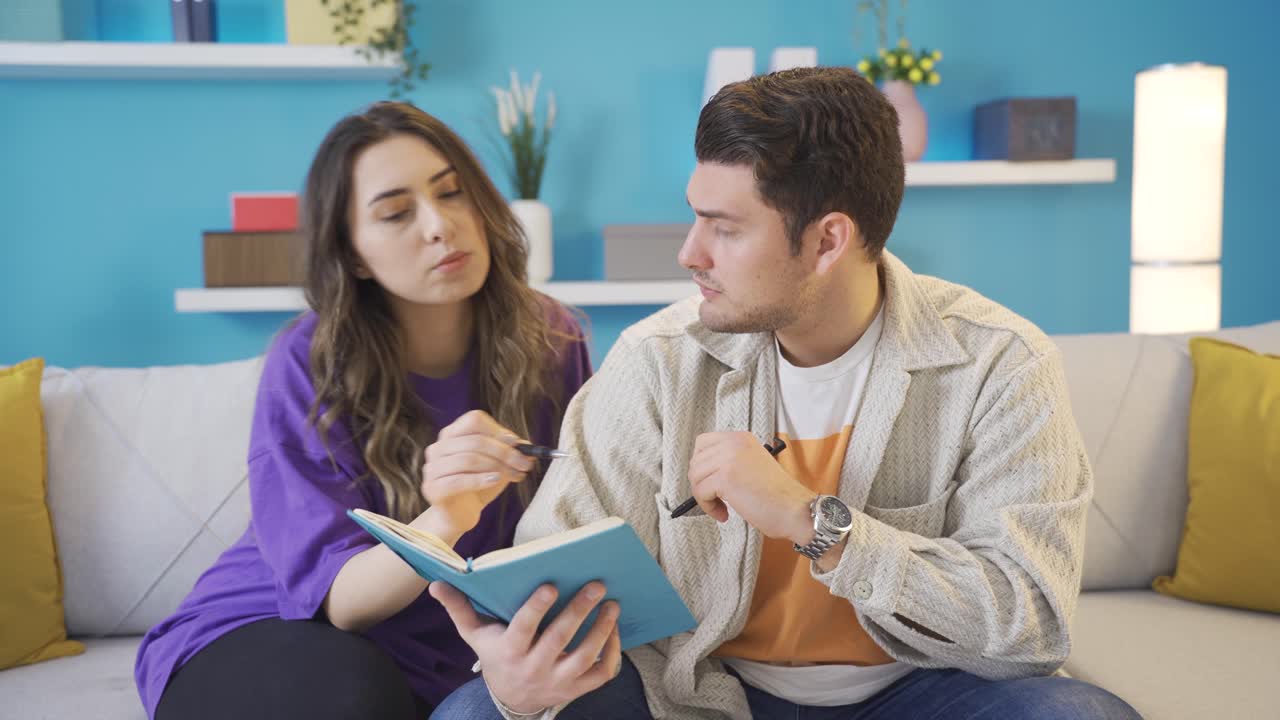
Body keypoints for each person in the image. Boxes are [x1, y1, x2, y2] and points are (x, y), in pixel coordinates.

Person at [430, 67, 1142, 719]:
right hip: (699, 692)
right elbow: (555, 555)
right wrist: (518, 676)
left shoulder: (1000, 363)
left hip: (918, 691)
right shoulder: (658, 360)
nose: (689, 253)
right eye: (695, 216)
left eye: (725, 229)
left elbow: (1028, 624)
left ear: (829, 241)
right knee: (475, 714)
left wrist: (810, 521)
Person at [134, 101, 593, 720]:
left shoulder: (551, 337)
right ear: (352, 253)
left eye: (452, 193)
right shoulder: (310, 359)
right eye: (396, 213)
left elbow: (579, 513)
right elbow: (342, 604)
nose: (439, 226)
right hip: (282, 630)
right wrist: (446, 516)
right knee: (356, 692)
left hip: (451, 645)